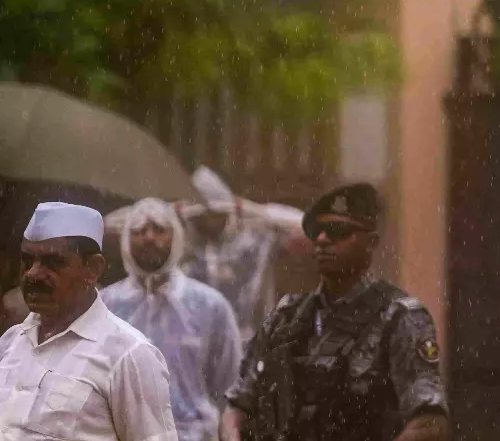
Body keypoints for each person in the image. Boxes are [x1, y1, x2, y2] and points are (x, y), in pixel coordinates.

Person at [220, 183, 448, 441]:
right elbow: (236, 408)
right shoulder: (286, 317)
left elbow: (430, 423)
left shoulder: (399, 318)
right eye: (317, 231)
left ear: (370, 242)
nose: (322, 240)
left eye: (338, 231)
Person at [0, 201, 178, 440]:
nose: (33, 273)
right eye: (28, 261)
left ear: (92, 269)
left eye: (53, 262)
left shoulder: (128, 355)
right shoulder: (11, 343)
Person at [101, 197, 242, 441]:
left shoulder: (210, 306)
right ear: (125, 240)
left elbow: (230, 388)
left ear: (176, 236)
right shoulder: (105, 305)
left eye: (159, 229)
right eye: (139, 230)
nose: (149, 237)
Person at [181, 166, 306, 340]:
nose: (208, 221)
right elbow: (133, 222)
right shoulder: (182, 239)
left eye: (215, 214)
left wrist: (246, 207)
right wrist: (169, 210)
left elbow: (303, 223)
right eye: (202, 215)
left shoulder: (256, 233)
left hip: (251, 339)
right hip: (197, 340)